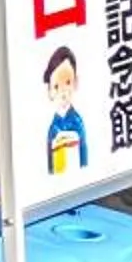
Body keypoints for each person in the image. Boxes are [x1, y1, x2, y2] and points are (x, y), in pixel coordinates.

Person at [48, 44, 90, 178]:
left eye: (67, 83)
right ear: (50, 92)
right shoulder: (52, 127)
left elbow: (84, 155)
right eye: (56, 86)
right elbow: (49, 161)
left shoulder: (77, 122)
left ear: (75, 82)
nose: (63, 92)